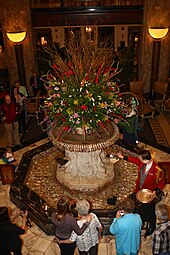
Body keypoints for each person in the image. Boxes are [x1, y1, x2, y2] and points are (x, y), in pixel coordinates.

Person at [117, 150, 165, 236]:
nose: (139, 160)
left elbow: (162, 183)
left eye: (141, 159)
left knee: (150, 210)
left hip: (149, 194)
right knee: (140, 206)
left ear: (146, 160)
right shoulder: (142, 163)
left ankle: (151, 226)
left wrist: (156, 191)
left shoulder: (157, 170)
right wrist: (123, 157)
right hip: (140, 190)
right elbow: (134, 160)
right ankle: (142, 218)